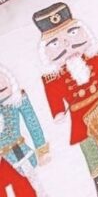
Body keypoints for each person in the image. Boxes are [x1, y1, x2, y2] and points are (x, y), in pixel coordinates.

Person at [34, 2, 98, 197]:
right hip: (79, 116)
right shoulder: (54, 75)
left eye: (71, 33)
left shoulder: (93, 52)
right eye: (56, 43)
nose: (67, 44)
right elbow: (53, 91)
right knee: (93, 157)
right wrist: (58, 110)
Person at [0, 63, 49, 197]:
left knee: (30, 190)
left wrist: (41, 149)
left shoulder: (15, 99)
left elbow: (31, 121)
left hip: (19, 153)